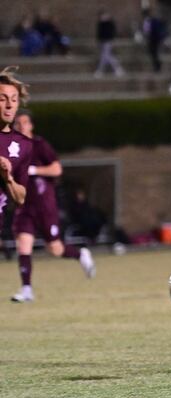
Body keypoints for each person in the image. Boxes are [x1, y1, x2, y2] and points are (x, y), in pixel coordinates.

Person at [10, 110, 96, 303]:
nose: (22, 126)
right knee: (23, 246)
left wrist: (34, 170)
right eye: (18, 124)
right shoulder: (12, 147)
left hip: (44, 206)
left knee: (55, 248)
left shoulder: (39, 145)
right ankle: (26, 290)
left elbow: (57, 168)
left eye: (25, 123)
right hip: (24, 206)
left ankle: (80, 253)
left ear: (31, 125)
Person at [0, 67, 33, 257]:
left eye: (13, 100)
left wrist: (8, 178)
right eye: (3, 99)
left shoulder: (23, 145)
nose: (9, 105)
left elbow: (20, 197)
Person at [95, 10, 124, 77]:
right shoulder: (100, 24)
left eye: (104, 15)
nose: (103, 17)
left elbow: (112, 32)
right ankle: (117, 69)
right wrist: (98, 41)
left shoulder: (109, 23)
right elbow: (99, 33)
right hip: (102, 41)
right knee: (106, 56)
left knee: (105, 56)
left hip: (108, 41)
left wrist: (112, 39)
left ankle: (100, 71)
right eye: (102, 16)